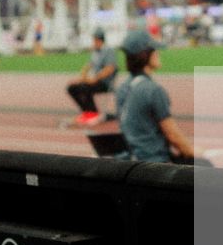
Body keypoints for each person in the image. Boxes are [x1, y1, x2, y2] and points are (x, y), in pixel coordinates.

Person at [115, 29, 193, 163]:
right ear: (145, 55)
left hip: (132, 159)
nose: (157, 53)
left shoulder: (123, 88)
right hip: (155, 162)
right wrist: (194, 152)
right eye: (154, 50)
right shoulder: (153, 90)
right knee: (204, 168)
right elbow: (173, 136)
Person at [66, 30, 119, 124]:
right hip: (93, 80)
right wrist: (81, 78)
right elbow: (89, 65)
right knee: (72, 88)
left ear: (99, 40)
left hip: (104, 82)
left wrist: (95, 79)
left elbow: (110, 68)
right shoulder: (95, 52)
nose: (93, 42)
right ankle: (87, 112)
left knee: (85, 88)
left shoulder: (108, 51)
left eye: (94, 40)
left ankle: (93, 113)